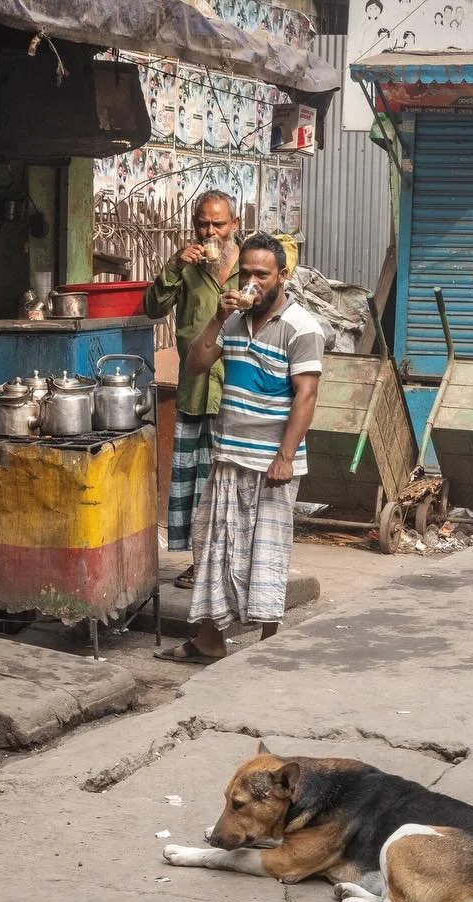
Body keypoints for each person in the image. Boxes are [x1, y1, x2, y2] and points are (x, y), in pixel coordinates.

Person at [154, 234, 323, 665]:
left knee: (266, 552)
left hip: (271, 461)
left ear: (282, 276)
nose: (252, 281)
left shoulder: (302, 327)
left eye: (262, 275)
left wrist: (284, 457)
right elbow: (196, 364)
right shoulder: (232, 319)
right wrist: (216, 317)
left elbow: (306, 396)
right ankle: (210, 640)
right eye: (245, 273)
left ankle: (269, 645)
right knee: (215, 548)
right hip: (228, 454)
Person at [143, 190, 242, 589]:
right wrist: (171, 266)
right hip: (196, 388)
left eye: (219, 223)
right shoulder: (187, 267)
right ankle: (202, 562)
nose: (211, 231)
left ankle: (230, 563)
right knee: (198, 483)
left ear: (234, 225)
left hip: (237, 389)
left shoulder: (249, 267)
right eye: (204, 223)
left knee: (231, 481)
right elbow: (152, 308)